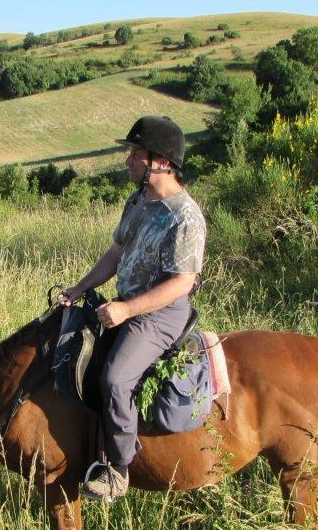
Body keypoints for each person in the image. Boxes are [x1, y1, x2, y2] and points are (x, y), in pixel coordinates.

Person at [58, 115, 207, 501]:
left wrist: (126, 310)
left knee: (115, 378)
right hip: (128, 303)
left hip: (160, 313)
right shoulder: (138, 200)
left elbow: (181, 283)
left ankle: (118, 470)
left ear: (160, 160)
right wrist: (80, 287)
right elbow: (116, 252)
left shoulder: (185, 215)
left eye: (135, 153)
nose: (128, 160)